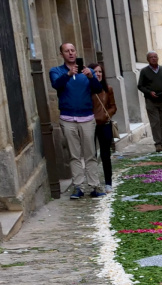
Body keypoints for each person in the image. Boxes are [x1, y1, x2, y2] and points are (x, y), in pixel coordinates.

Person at [47, 43, 103, 199]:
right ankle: (78, 186)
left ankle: (94, 186)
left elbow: (98, 89)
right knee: (74, 154)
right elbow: (56, 85)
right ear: (61, 54)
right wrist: (68, 74)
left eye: (72, 50)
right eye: (67, 51)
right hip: (68, 118)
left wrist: (91, 77)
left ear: (76, 52)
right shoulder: (56, 71)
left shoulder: (88, 71)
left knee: (90, 153)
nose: (70, 53)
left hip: (87, 118)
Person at [137, 51, 162, 152]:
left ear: (158, 58)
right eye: (151, 57)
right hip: (151, 100)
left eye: (155, 57)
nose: (153, 58)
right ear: (148, 59)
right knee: (155, 122)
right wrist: (149, 92)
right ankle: (158, 143)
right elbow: (140, 86)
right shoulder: (144, 71)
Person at [91, 62, 117, 191]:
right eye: (95, 72)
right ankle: (93, 182)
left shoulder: (108, 88)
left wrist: (107, 115)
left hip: (105, 124)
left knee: (105, 154)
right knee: (91, 154)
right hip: (90, 125)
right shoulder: (87, 89)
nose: (98, 74)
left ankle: (108, 182)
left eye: (100, 71)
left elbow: (113, 106)